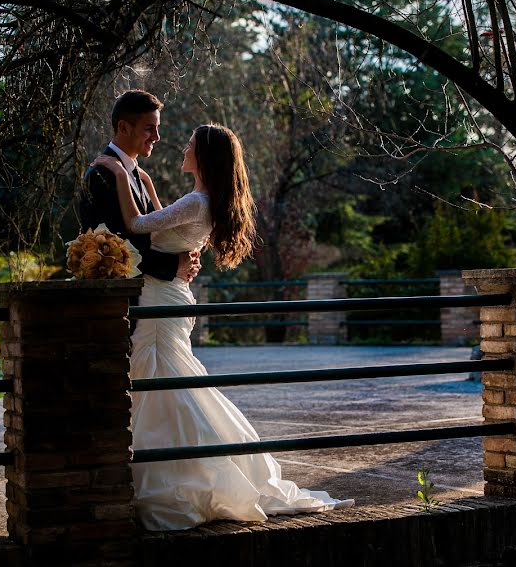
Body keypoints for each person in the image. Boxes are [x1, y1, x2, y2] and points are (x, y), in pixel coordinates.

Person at [92, 123, 353, 530]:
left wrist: (118, 171)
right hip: (170, 293)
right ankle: (177, 464)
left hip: (163, 297)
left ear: (204, 156)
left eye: (190, 144)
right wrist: (140, 178)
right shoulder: (201, 200)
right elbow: (165, 226)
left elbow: (137, 224)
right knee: (168, 379)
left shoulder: (198, 201)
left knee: (163, 379)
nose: (182, 147)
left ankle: (178, 477)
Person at [79, 90, 199, 287]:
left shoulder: (138, 175)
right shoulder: (100, 176)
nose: (157, 137)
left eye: (157, 128)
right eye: (149, 129)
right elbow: (115, 252)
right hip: (120, 303)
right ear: (124, 127)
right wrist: (175, 264)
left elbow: (153, 236)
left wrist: (185, 258)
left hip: (145, 295)